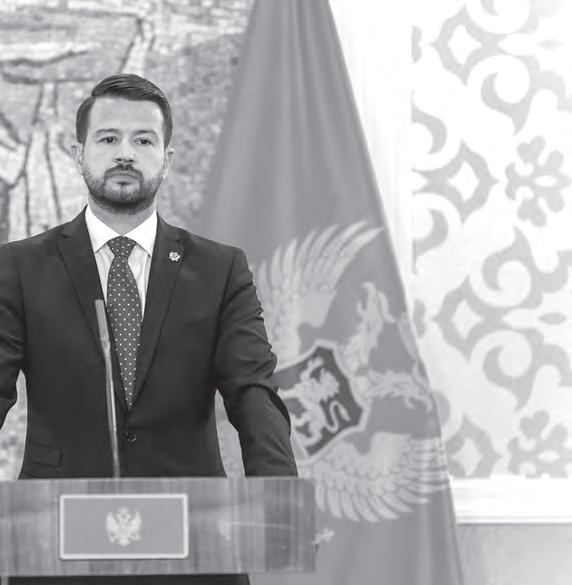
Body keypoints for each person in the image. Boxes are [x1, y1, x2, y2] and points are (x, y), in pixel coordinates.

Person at [0, 74, 297, 585]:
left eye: (143, 140)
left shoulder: (220, 270)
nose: (125, 153)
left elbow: (253, 391)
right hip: (60, 535)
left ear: (167, 158)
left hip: (193, 539)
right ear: (79, 154)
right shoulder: (19, 268)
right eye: (108, 138)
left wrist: (277, 499)